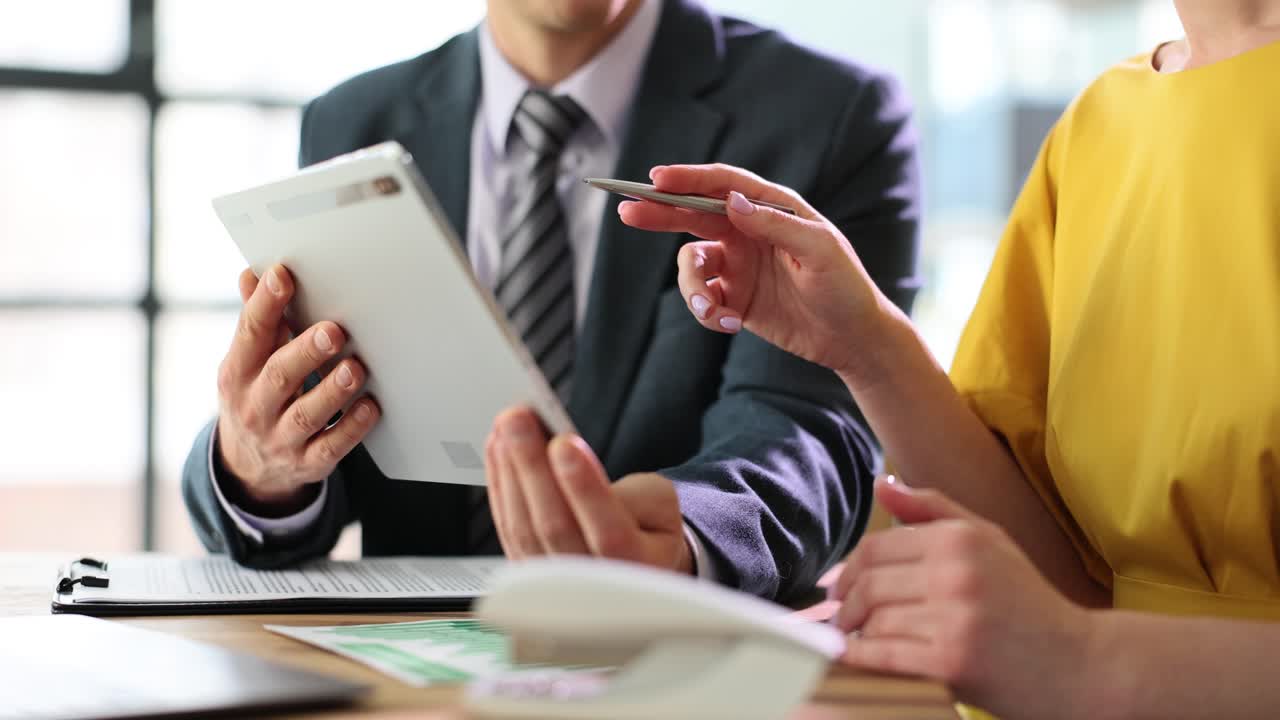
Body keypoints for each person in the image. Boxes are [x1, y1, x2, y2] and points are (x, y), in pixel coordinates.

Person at [621, 1, 1280, 714]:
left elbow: (1076, 645)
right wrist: (865, 345)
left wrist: (1088, 659)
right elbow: (1054, 583)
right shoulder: (1102, 121)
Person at [181, 0, 922, 601]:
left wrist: (684, 535)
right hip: (405, 680)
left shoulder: (831, 116)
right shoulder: (350, 121)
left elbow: (812, 429)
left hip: (683, 665)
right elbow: (344, 425)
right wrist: (260, 467)